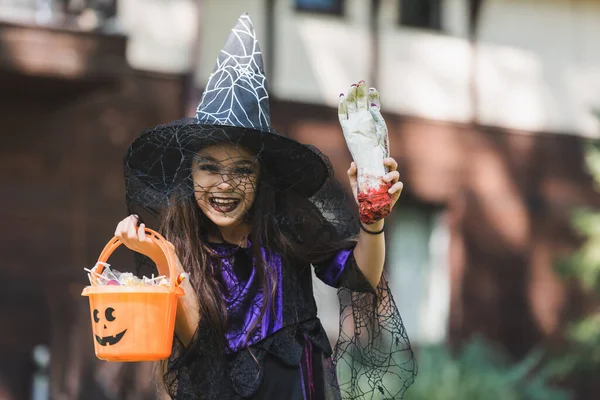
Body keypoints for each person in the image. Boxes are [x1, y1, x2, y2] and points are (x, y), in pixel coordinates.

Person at [115, 13, 416, 400]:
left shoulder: (287, 224)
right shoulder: (181, 237)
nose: (223, 185)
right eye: (209, 168)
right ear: (190, 173)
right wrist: (162, 256)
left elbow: (361, 276)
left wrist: (372, 219)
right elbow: (196, 345)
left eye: (241, 170)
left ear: (261, 177)